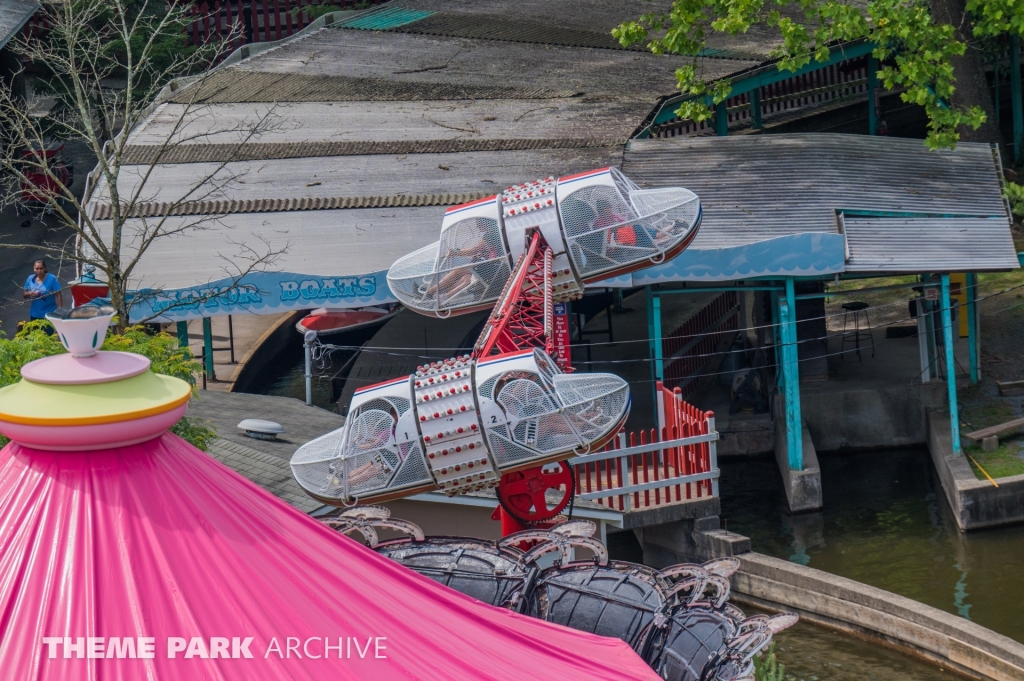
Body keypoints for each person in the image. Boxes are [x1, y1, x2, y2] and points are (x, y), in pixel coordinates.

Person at [23, 259, 62, 328]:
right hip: (35, 314)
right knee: (36, 336)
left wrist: (60, 310)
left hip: (49, 313)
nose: (39, 271)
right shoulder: (30, 278)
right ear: (34, 269)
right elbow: (24, 294)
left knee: (48, 336)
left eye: (41, 268)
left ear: (45, 268)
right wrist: (29, 293)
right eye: (37, 269)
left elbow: (58, 294)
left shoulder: (51, 278)